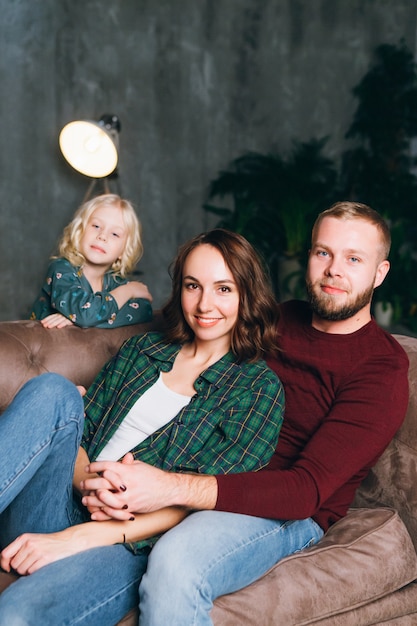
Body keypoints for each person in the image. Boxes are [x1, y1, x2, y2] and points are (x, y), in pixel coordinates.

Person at [83, 201, 410, 625]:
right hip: (205, 462)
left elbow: (305, 491)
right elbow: (193, 327)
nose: (333, 269)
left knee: (176, 564)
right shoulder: (278, 319)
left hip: (283, 510)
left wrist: (173, 488)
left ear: (379, 273)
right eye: (323, 252)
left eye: (353, 258)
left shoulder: (380, 369)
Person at [0, 229, 284, 625]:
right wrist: (87, 481)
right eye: (192, 286)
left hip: (130, 542)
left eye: (223, 289)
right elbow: (83, 430)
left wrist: (77, 538)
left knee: (15, 614)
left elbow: (210, 500)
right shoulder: (142, 350)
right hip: (59, 502)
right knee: (54, 389)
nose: (204, 304)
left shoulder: (257, 388)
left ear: (246, 295)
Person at [30, 193, 153, 328]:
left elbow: (144, 311)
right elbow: (85, 315)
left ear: (123, 251)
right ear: (79, 230)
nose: (102, 236)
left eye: (115, 234)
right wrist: (129, 291)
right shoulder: (61, 268)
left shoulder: (115, 281)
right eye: (96, 226)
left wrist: (85, 318)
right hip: (49, 347)